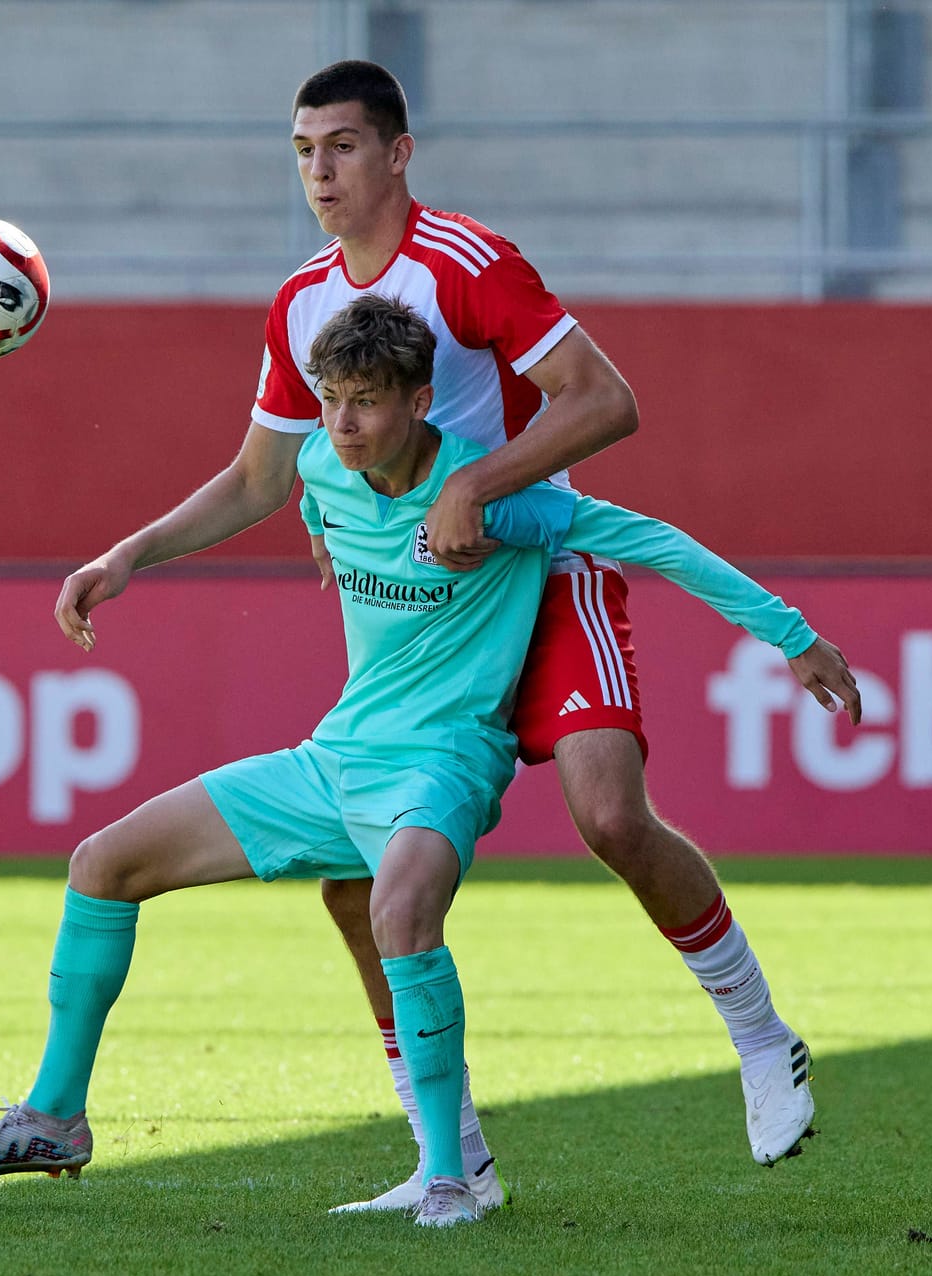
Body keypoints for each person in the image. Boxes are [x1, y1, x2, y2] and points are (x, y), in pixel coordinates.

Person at [50, 61, 861, 1213]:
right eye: (301, 151)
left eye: (340, 146)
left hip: (539, 558)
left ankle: (759, 1032)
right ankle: (454, 1159)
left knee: (609, 811)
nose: (319, 172)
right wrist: (130, 553)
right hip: (435, 587)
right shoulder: (301, 304)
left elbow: (606, 400)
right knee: (353, 887)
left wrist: (472, 485)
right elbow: (260, 477)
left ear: (397, 152)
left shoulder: (468, 266)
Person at [0, 294, 857, 1228]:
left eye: (365, 401)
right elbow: (288, 497)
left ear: (419, 401)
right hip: (335, 760)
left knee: (397, 907)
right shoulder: (325, 465)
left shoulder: (494, 503)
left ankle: (450, 1180)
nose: (341, 423)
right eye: (329, 401)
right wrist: (153, 555)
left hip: (440, 768)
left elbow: (652, 541)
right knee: (100, 864)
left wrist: (793, 636)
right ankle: (54, 1117)